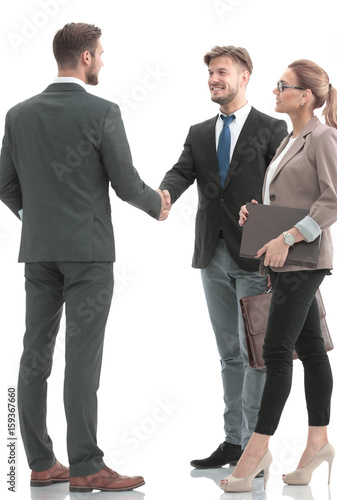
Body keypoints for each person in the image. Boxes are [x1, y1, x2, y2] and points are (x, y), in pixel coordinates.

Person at [0, 22, 170, 493]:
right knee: (82, 358)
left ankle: (39, 463)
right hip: (89, 254)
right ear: (88, 58)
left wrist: (37, 223)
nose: (104, 60)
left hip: (39, 253)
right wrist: (159, 204)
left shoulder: (18, 114)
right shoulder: (103, 111)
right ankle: (86, 466)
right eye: (102, 53)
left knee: (35, 353)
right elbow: (126, 182)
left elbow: (5, 185)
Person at [220, 59, 337, 492]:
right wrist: (256, 213)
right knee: (312, 349)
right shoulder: (289, 140)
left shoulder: (324, 137)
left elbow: (333, 203)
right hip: (282, 261)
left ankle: (256, 451)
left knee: (276, 353)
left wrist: (288, 238)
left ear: (306, 96)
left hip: (304, 261)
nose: (274, 91)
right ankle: (319, 442)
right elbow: (288, 197)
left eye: (283, 85)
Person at [158, 46, 288, 468]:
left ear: (244, 75)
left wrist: (273, 235)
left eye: (221, 72)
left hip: (256, 250)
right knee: (229, 352)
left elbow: (285, 186)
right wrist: (163, 195)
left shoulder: (272, 127)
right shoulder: (199, 131)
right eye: (210, 74)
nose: (214, 80)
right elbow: (181, 172)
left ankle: (255, 443)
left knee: (257, 353)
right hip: (211, 252)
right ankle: (234, 439)